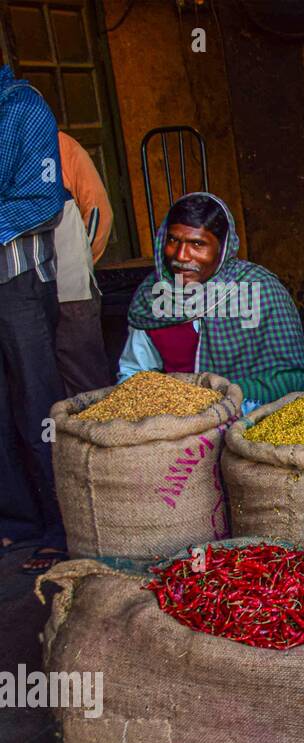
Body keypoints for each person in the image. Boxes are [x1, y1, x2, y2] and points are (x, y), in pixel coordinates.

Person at [120, 192, 304, 411]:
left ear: (223, 248)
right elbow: (134, 374)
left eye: (197, 244)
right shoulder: (151, 296)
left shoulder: (258, 289)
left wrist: (217, 399)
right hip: (174, 420)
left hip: (250, 414)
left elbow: (292, 378)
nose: (181, 256)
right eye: (173, 240)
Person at [0, 63, 69, 574]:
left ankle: (60, 525)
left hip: (17, 282)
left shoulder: (22, 107)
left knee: (36, 405)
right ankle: (17, 522)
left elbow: (44, 202)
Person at [53, 130, 114, 395]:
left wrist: (81, 261)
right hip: (19, 294)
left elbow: (98, 210)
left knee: (85, 379)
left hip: (70, 286)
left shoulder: (61, 145)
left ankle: (97, 435)